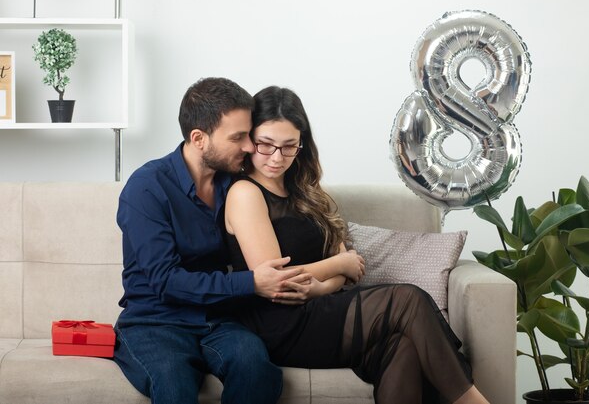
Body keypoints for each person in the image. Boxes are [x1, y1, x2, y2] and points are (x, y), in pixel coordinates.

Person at [223, 85, 491, 404]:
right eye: (265, 145)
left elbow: (346, 273)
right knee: (407, 300)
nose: (276, 158)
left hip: (322, 308)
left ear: (301, 146)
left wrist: (323, 285)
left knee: (402, 348)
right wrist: (340, 265)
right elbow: (278, 282)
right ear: (249, 140)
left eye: (288, 146)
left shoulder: (307, 194)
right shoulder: (245, 193)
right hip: (279, 324)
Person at [114, 78, 308, 404]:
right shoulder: (146, 188)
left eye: (248, 135)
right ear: (199, 139)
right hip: (154, 322)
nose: (249, 147)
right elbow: (165, 281)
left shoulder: (234, 184)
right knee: (173, 381)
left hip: (217, 321)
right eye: (238, 138)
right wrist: (251, 283)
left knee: (257, 369)